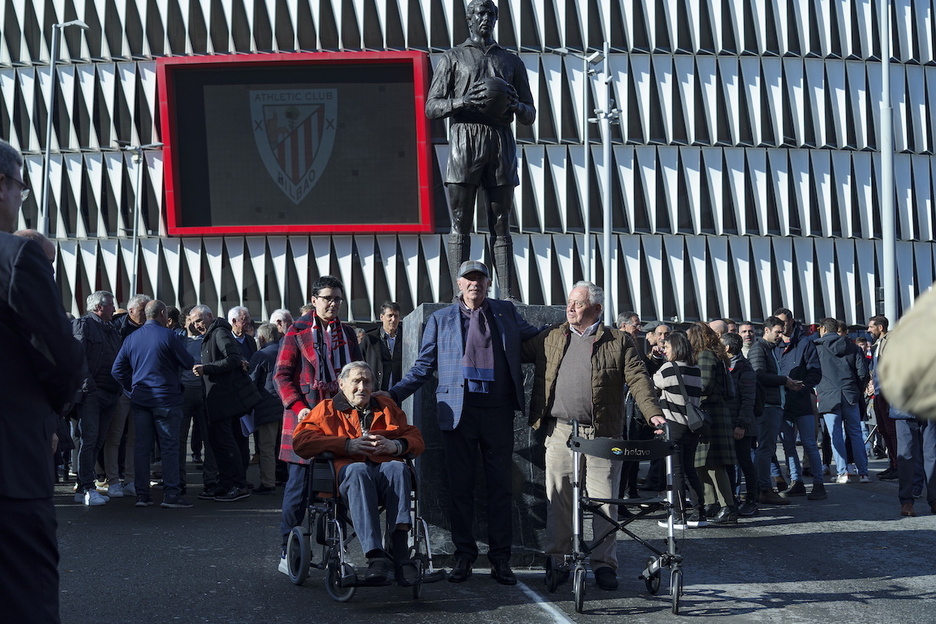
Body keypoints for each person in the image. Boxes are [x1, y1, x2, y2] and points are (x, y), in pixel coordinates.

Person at [387, 260, 540, 585]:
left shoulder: (505, 312)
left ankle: (501, 560)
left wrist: (575, 328)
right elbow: (423, 366)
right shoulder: (441, 319)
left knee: (500, 487)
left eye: (480, 279)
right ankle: (464, 557)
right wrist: (392, 394)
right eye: (469, 279)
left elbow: (538, 336)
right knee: (461, 488)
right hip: (458, 414)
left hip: (498, 411)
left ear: (488, 283)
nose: (475, 284)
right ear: (459, 284)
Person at [524, 281, 663, 591]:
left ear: (597, 309)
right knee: (559, 498)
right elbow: (514, 350)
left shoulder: (619, 340)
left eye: (578, 303)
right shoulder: (551, 336)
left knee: (605, 502)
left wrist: (653, 411)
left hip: (604, 433)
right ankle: (560, 560)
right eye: (570, 302)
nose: (570, 308)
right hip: (561, 431)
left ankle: (603, 565)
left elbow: (638, 377)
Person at [0, 138, 84, 624]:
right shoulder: (17, 257)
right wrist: (53, 413)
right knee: (25, 597)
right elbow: (62, 355)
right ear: (2, 186)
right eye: (20, 189)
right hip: (10, 462)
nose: (18, 200)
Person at [426, 0, 535, 297]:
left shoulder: (511, 61)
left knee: (501, 221)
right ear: (468, 19)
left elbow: (530, 113)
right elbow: (431, 107)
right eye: (479, 13)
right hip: (465, 139)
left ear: (496, 19)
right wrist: (463, 102)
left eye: (490, 14)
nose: (485, 18)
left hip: (500, 139)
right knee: (460, 220)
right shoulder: (453, 57)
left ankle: (508, 294)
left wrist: (515, 105)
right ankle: (457, 293)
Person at [293, 362, 426, 585]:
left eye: (367, 381)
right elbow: (301, 441)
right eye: (356, 381)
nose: (361, 387)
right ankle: (376, 557)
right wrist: (346, 445)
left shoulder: (386, 407)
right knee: (358, 470)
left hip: (385, 472)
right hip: (349, 475)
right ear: (342, 384)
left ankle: (402, 555)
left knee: (397, 467)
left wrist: (396, 446)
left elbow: (416, 438)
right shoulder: (326, 409)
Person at [273, 276, 362, 573]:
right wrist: (299, 408)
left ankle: (339, 548)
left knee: (342, 486)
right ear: (314, 300)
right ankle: (287, 552)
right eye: (327, 298)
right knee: (297, 489)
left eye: (337, 298)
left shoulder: (347, 333)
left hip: (340, 419)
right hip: (304, 419)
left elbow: (358, 375)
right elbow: (282, 376)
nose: (333, 303)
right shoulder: (297, 330)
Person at [111, 300, 195, 508]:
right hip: (166, 397)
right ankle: (171, 494)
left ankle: (142, 495)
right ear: (162, 314)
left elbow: (116, 370)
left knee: (142, 448)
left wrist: (132, 388)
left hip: (141, 398)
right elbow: (187, 362)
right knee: (169, 447)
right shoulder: (169, 336)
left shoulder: (131, 338)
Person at [194, 305, 261, 503]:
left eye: (199, 320)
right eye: (194, 321)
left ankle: (237, 485)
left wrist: (207, 368)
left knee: (227, 443)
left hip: (225, 400)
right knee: (219, 443)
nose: (197, 325)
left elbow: (233, 359)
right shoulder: (212, 334)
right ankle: (225, 484)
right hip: (217, 400)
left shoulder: (219, 332)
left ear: (209, 316)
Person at [649, 332, 706, 527]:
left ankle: (678, 515)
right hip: (692, 426)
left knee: (676, 472)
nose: (665, 350)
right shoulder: (696, 369)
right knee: (690, 470)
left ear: (676, 348)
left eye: (667, 347)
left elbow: (653, 382)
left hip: (674, 424)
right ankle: (700, 514)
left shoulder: (669, 368)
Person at [72, 290, 122, 505]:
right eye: (110, 305)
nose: (113, 308)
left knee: (98, 440)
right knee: (89, 440)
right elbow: (76, 358)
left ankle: (85, 487)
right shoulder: (84, 325)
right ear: (99, 307)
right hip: (92, 394)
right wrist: (88, 387)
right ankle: (86, 488)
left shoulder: (111, 329)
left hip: (110, 393)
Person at [687, 322, 739, 524]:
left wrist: (685, 390)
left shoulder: (706, 355)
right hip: (710, 412)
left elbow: (705, 385)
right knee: (702, 462)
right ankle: (712, 502)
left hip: (711, 413)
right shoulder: (707, 354)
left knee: (714, 463)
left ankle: (728, 507)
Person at [773, 308, 826, 501]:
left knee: (809, 444)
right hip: (783, 403)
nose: (781, 327)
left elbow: (815, 373)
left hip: (802, 400)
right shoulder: (775, 345)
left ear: (792, 322)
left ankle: (819, 484)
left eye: (784, 323)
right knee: (788, 445)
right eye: (778, 323)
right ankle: (797, 482)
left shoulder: (805, 343)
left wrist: (801, 386)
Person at [814, 317, 871, 484]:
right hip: (850, 394)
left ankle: (842, 473)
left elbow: (812, 371)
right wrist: (856, 389)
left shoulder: (817, 347)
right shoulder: (853, 347)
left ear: (823, 329)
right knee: (856, 433)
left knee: (835, 435)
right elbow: (863, 374)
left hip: (828, 395)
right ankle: (863, 473)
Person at [747, 316, 792, 505]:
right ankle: (763, 488)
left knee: (767, 448)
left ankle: (762, 487)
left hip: (773, 404)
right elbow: (759, 375)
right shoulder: (760, 349)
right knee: (765, 449)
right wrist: (784, 380)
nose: (781, 336)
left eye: (782, 332)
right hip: (767, 406)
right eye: (777, 332)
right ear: (766, 330)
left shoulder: (770, 349)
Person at [721, 332, 759, 517]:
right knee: (729, 463)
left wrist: (741, 425)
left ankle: (752, 500)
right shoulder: (725, 366)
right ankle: (732, 499)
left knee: (745, 463)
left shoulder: (744, 368)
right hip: (728, 423)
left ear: (727, 348)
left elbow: (748, 400)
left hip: (742, 426)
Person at [247, 322, 285, 494]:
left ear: (261, 338)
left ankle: (268, 481)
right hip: (286, 403)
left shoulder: (260, 354)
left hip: (267, 404)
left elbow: (252, 381)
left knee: (267, 446)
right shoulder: (286, 351)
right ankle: (285, 477)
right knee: (285, 444)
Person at [868, 316, 898, 480]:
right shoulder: (877, 344)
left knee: (891, 430)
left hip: (887, 392)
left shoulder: (890, 340)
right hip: (878, 391)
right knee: (883, 429)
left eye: (871, 327)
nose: (868, 330)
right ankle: (892, 463)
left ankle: (898, 465)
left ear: (880, 327)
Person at [360, 301, 403, 391]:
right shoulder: (370, 339)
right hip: (375, 390)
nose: (393, 319)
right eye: (390, 315)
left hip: (399, 391)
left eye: (396, 316)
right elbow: (359, 362)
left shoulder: (406, 337)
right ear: (381, 317)